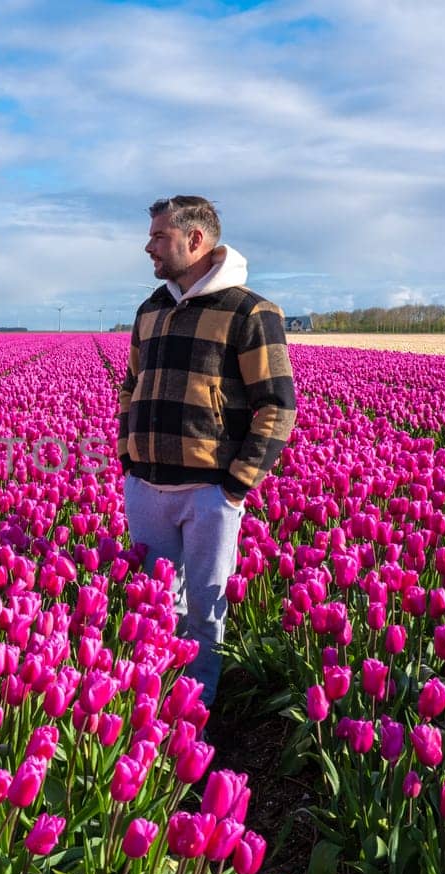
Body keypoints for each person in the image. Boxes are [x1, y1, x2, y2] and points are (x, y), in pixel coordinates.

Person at [117, 196, 296, 707]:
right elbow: (131, 386)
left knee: (203, 611)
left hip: (209, 492)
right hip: (147, 486)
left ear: (195, 240)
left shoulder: (250, 311)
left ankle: (195, 716)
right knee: (154, 607)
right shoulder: (150, 309)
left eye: (158, 236)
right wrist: (128, 458)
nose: (148, 246)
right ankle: (151, 711)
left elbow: (277, 405)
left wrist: (236, 486)